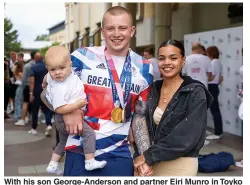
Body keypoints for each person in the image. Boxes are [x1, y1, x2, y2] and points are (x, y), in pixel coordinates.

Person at [41, 6, 153, 176]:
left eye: (122, 28)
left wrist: (144, 156)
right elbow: (46, 93)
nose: (116, 33)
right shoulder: (81, 57)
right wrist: (67, 111)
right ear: (102, 31)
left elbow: (139, 117)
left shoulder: (145, 68)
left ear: (132, 31)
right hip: (79, 152)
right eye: (110, 28)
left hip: (119, 153)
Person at [134, 40, 213, 176]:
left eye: (173, 58)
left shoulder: (195, 91)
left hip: (180, 165)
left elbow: (186, 136)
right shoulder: (153, 89)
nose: (167, 63)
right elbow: (140, 125)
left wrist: (147, 157)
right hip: (149, 166)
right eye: (162, 58)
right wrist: (142, 158)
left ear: (183, 61)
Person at [44, 46, 107, 174]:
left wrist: (46, 78)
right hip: (64, 118)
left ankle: (53, 164)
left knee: (62, 142)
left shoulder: (60, 77)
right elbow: (59, 109)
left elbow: (46, 79)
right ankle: (89, 161)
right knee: (89, 134)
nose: (57, 73)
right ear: (48, 69)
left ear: (70, 65)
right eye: (53, 70)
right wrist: (77, 106)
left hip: (61, 121)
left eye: (61, 68)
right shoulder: (59, 86)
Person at [28, 52, 53, 136]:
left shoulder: (33, 67)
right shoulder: (47, 68)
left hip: (36, 91)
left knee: (35, 110)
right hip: (46, 90)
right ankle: (48, 124)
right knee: (46, 109)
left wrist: (31, 93)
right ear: (42, 59)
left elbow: (32, 81)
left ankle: (34, 128)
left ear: (34, 59)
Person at [206, 46, 224, 140]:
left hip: (211, 87)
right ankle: (218, 131)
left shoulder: (213, 63)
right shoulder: (219, 62)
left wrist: (205, 79)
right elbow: (221, 78)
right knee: (215, 110)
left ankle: (218, 132)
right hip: (215, 86)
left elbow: (211, 76)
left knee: (214, 110)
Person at [15, 51, 36, 126]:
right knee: (36, 104)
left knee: (25, 103)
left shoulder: (27, 66)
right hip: (38, 87)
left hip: (27, 86)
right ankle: (34, 119)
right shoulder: (41, 65)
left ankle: (23, 119)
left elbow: (24, 79)